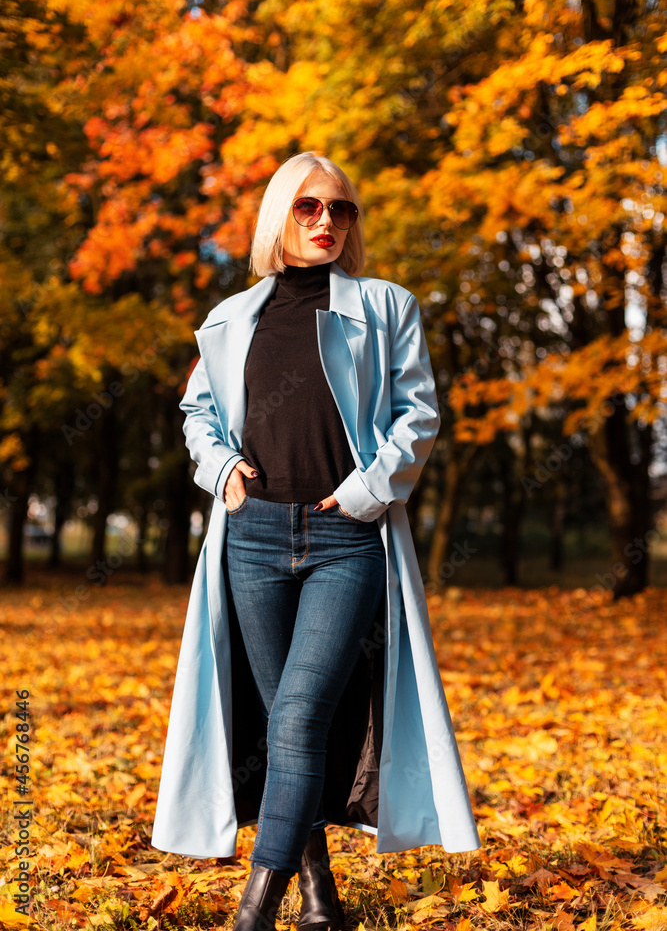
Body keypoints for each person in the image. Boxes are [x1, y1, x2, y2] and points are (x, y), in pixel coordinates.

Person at [151, 152, 480, 930]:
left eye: (339, 209)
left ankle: (253, 910)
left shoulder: (385, 304)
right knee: (278, 723)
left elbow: (417, 413)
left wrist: (367, 491)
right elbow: (197, 415)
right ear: (278, 216)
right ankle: (318, 898)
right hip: (253, 541)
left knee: (299, 717)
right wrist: (223, 467)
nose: (325, 221)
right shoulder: (232, 317)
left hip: (345, 541)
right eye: (306, 207)